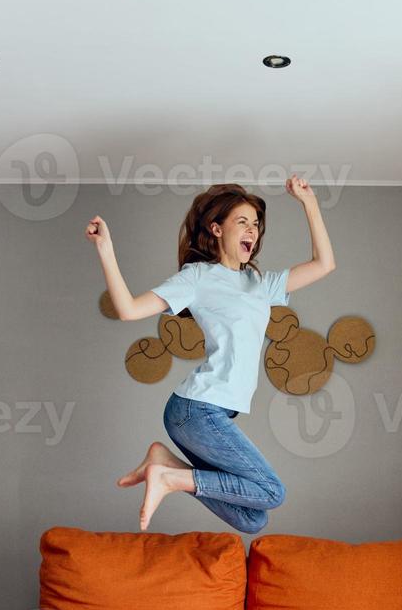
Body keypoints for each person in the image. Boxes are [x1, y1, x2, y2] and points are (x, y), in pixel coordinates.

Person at [85, 174, 336, 532]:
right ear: (217, 229)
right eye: (242, 222)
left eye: (256, 224)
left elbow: (324, 263)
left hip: (212, 412)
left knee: (252, 517)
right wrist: (105, 249)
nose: (252, 230)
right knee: (272, 490)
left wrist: (309, 202)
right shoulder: (199, 277)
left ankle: (166, 465)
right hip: (196, 409)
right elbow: (127, 309)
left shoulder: (260, 285)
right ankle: (168, 478)